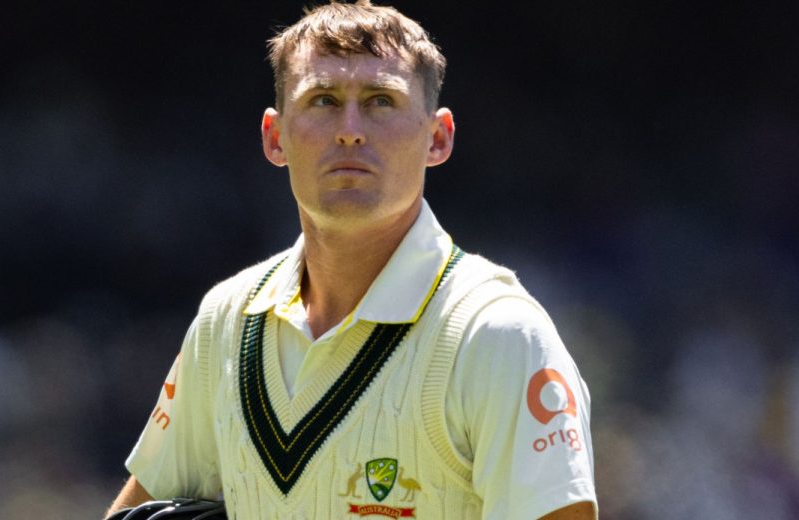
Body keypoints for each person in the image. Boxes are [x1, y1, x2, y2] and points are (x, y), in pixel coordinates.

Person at [106, 1, 597, 518]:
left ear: (437, 138)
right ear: (275, 137)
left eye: (381, 101)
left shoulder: (498, 335)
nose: (350, 130)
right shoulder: (225, 321)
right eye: (323, 100)